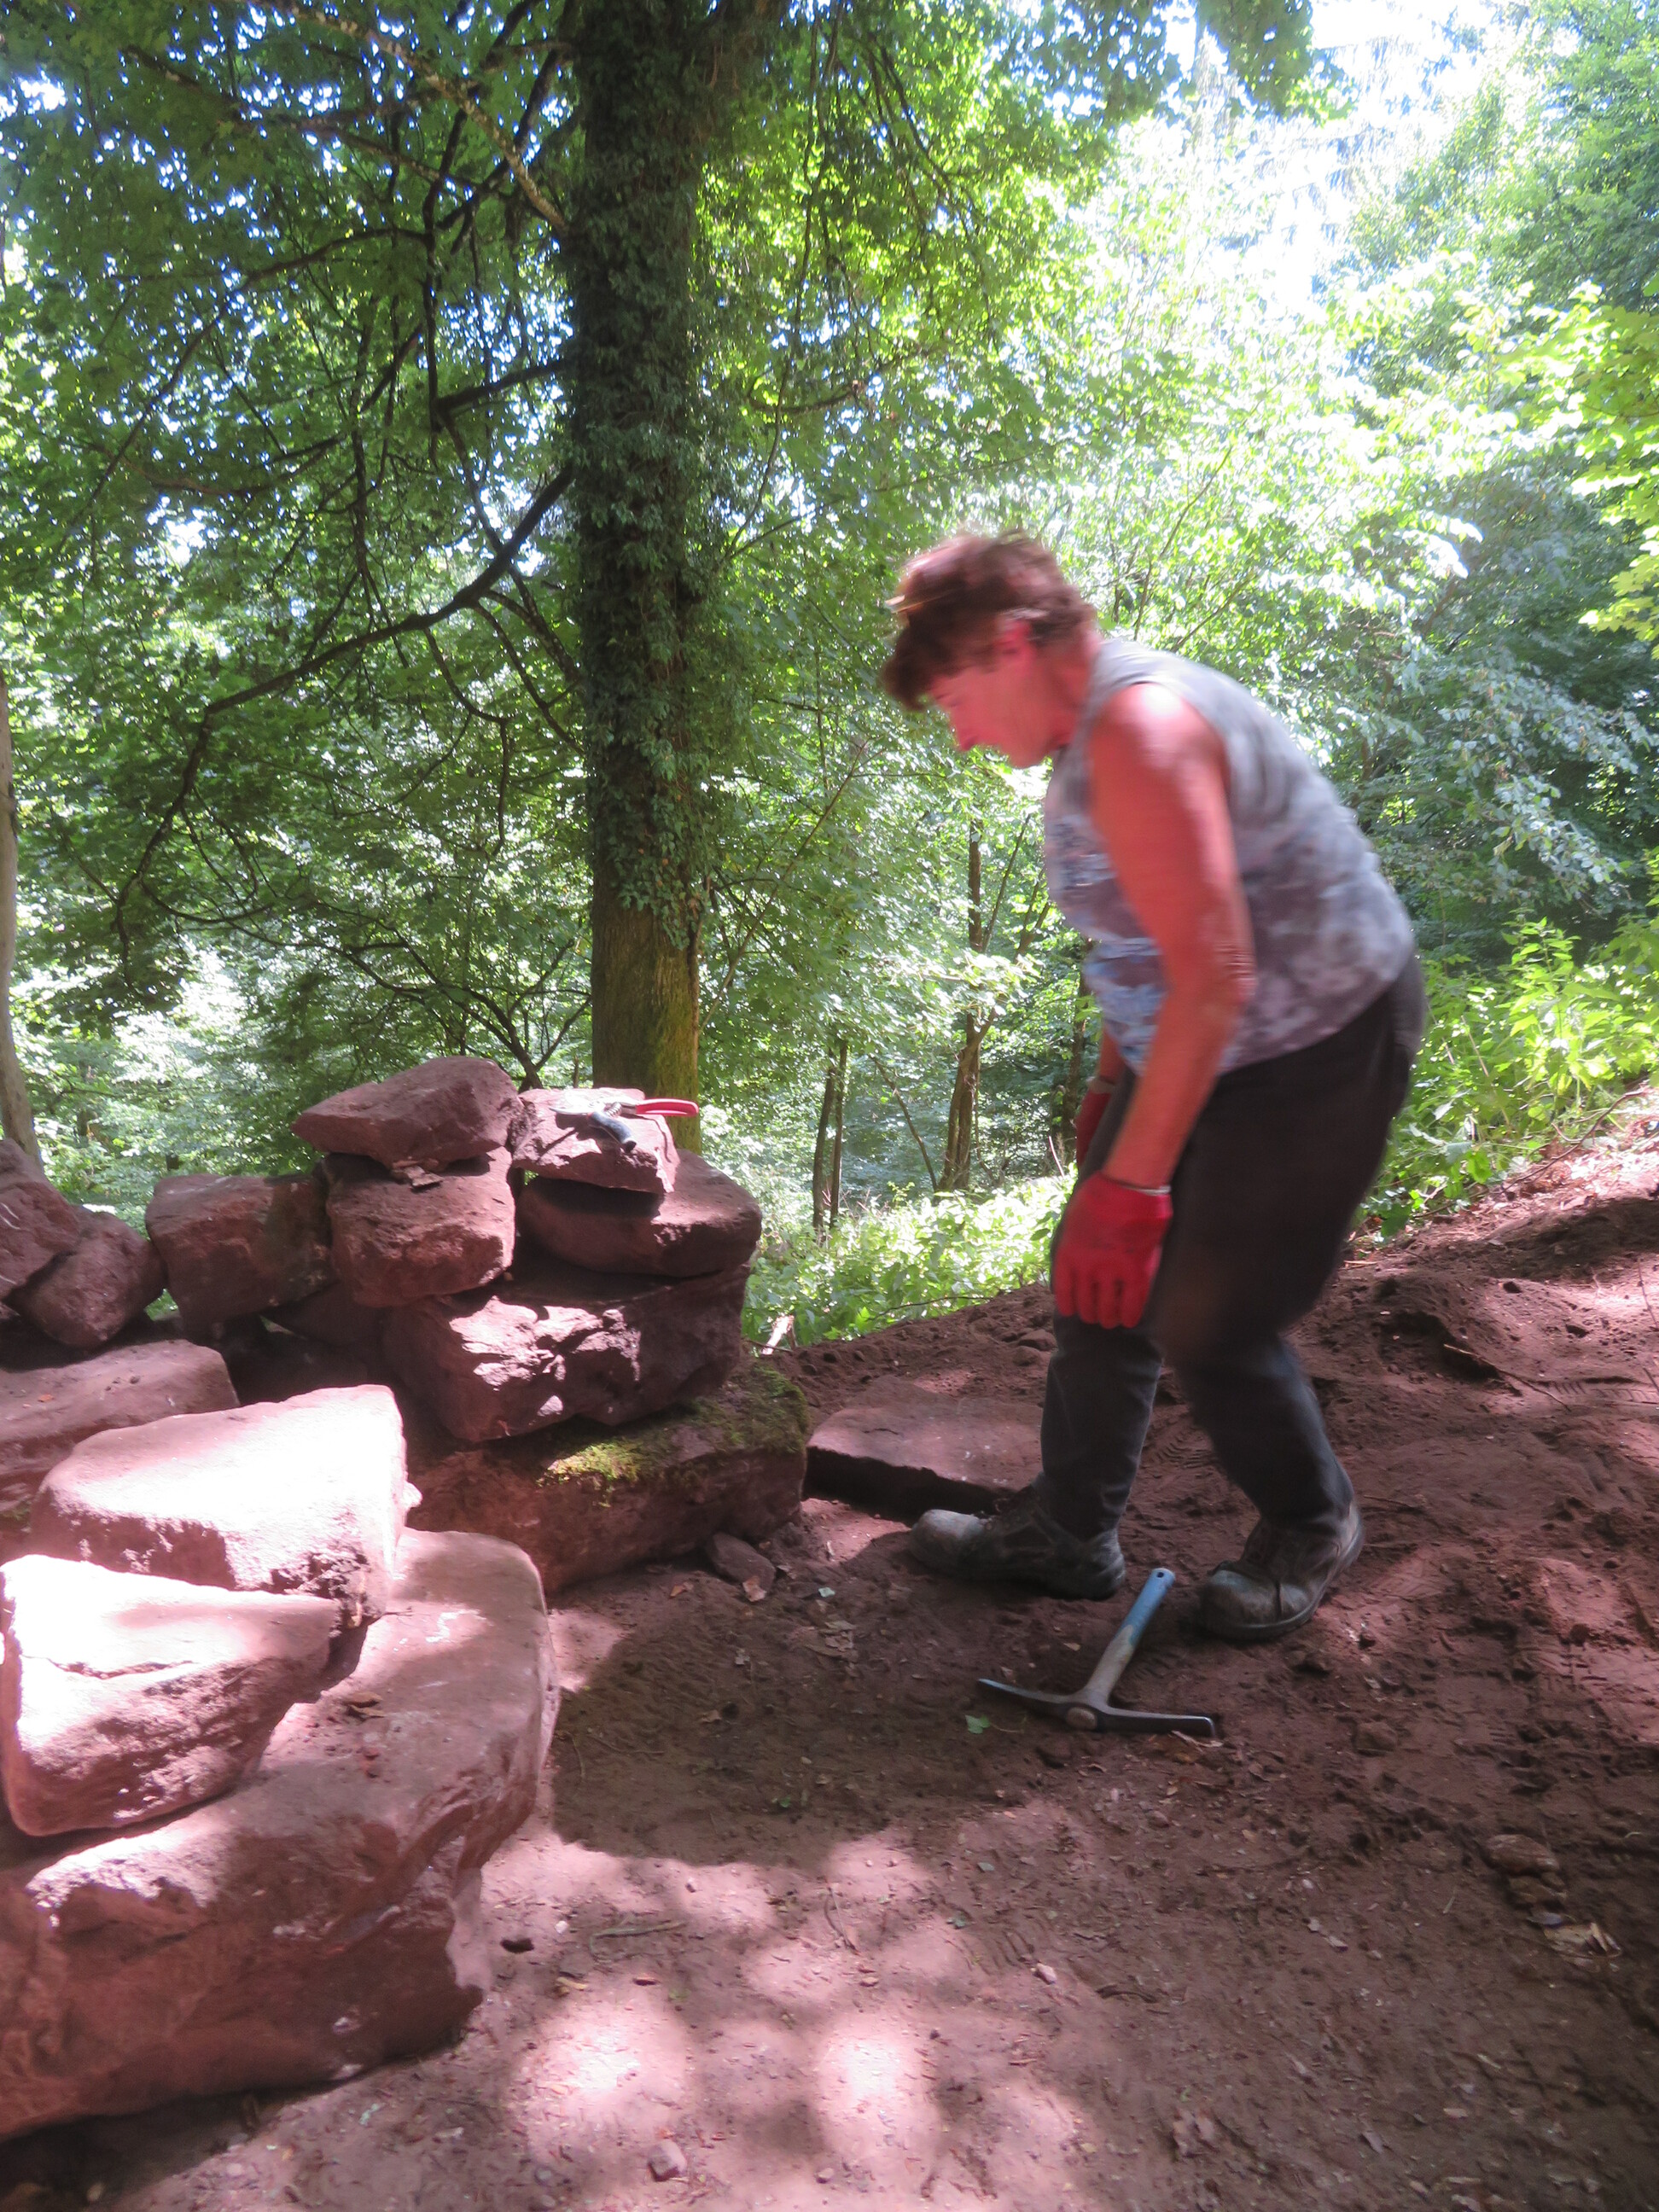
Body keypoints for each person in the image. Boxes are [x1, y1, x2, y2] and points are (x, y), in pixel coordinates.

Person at [880, 535, 1423, 1640]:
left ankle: (1312, 1521)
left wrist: (1134, 1191)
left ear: (1013, 645)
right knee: (1096, 1281)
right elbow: (1151, 939)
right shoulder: (1091, 739)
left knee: (1207, 1314)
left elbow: (1215, 974)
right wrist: (1113, 1080)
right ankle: (1070, 1533)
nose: (964, 734)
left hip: (1315, 1044)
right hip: (1199, 1038)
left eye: (956, 701)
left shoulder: (1141, 728)